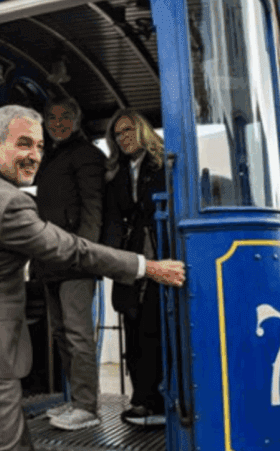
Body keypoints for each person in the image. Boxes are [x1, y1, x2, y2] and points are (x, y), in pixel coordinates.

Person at [0, 104, 185, 451]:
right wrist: (148, 267)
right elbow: (75, 250)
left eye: (40, 147)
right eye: (24, 144)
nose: (35, 156)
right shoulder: (6, 202)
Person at [32, 98, 107, 431]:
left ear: (77, 120)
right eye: (52, 117)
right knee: (62, 333)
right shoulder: (50, 158)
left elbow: (94, 208)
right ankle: (75, 400)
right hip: (50, 259)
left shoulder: (87, 155)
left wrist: (84, 251)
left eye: (65, 117)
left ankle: (87, 406)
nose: (57, 122)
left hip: (75, 259)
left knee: (78, 335)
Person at [101, 108, 167, 427]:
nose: (123, 138)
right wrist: (110, 259)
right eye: (117, 134)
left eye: (128, 130)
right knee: (133, 327)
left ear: (141, 130)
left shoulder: (163, 164)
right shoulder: (117, 174)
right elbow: (113, 219)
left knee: (156, 325)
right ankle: (141, 399)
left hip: (160, 255)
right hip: (131, 260)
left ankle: (156, 398)